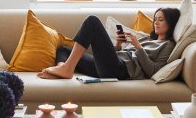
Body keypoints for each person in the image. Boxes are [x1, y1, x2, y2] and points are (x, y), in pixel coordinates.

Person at [37, 8, 180, 80]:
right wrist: (118, 46)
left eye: (161, 19)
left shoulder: (168, 45)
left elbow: (153, 71)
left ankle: (66, 69)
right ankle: (62, 69)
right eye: (155, 19)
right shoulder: (148, 39)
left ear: (170, 22)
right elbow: (118, 55)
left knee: (92, 21)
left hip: (119, 71)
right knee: (63, 49)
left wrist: (138, 47)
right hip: (110, 65)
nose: (156, 22)